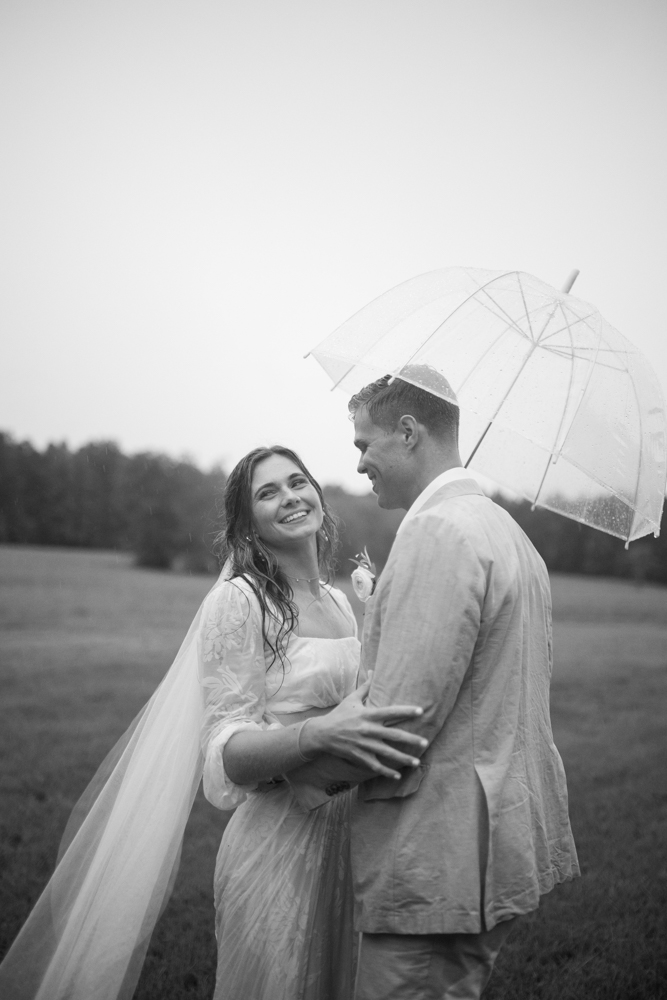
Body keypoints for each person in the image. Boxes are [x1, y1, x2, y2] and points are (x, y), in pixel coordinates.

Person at [0, 444, 425, 1000]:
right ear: (248, 524)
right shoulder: (240, 601)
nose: (290, 497)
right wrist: (315, 734)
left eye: (297, 482)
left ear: (319, 493)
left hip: (350, 840)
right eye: (267, 492)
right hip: (277, 846)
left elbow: (360, 706)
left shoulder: (338, 601)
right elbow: (223, 751)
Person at [300, 370, 580, 1000]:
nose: (361, 461)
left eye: (363, 443)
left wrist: (287, 772)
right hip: (484, 845)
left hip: (436, 853)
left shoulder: (440, 531)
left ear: (408, 431)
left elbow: (396, 722)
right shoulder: (509, 534)